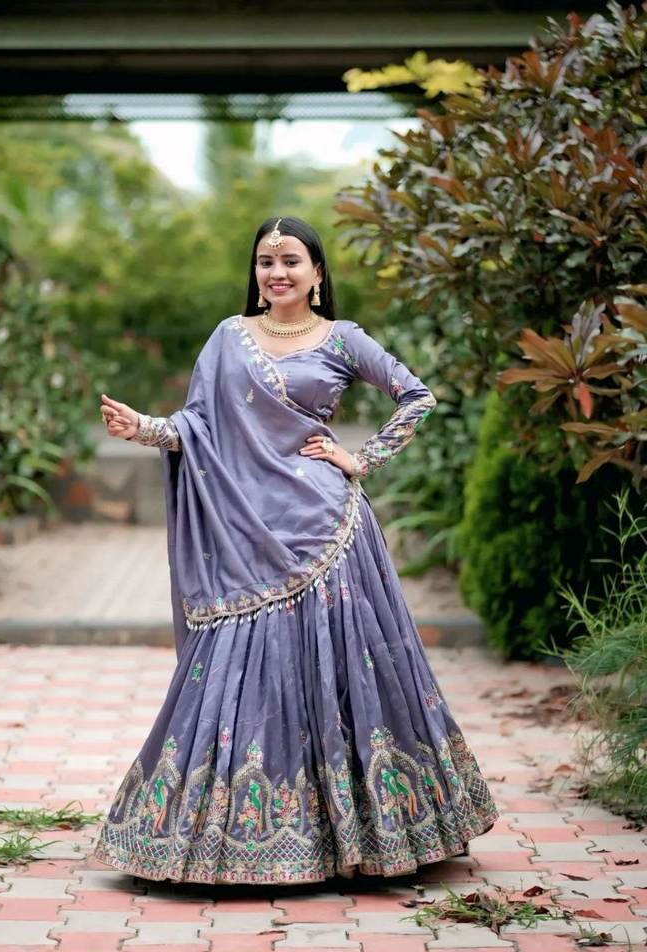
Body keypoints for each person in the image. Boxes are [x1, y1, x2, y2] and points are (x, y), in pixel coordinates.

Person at [93, 215, 498, 885]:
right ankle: (227, 838)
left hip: (326, 530)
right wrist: (143, 428)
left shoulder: (342, 339)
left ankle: (368, 833)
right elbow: (198, 427)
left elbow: (418, 398)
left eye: (290, 261)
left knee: (344, 677)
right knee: (234, 673)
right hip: (245, 532)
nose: (276, 272)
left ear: (316, 273)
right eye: (265, 261)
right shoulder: (228, 337)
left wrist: (360, 458)